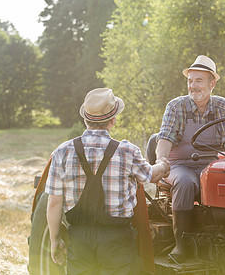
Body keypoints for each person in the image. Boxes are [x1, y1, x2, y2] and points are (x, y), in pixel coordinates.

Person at [45, 88, 170, 274]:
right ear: (113, 121)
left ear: (85, 120)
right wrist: (164, 164)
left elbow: (54, 202)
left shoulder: (62, 152)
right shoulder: (127, 151)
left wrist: (55, 239)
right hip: (117, 239)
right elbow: (151, 175)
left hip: (79, 238)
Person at [154, 55, 225, 262]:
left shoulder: (224, 106)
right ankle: (181, 245)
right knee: (185, 182)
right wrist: (162, 162)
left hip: (211, 163)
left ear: (212, 83)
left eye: (198, 80)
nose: (193, 86)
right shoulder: (176, 107)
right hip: (180, 165)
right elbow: (165, 138)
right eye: (190, 81)